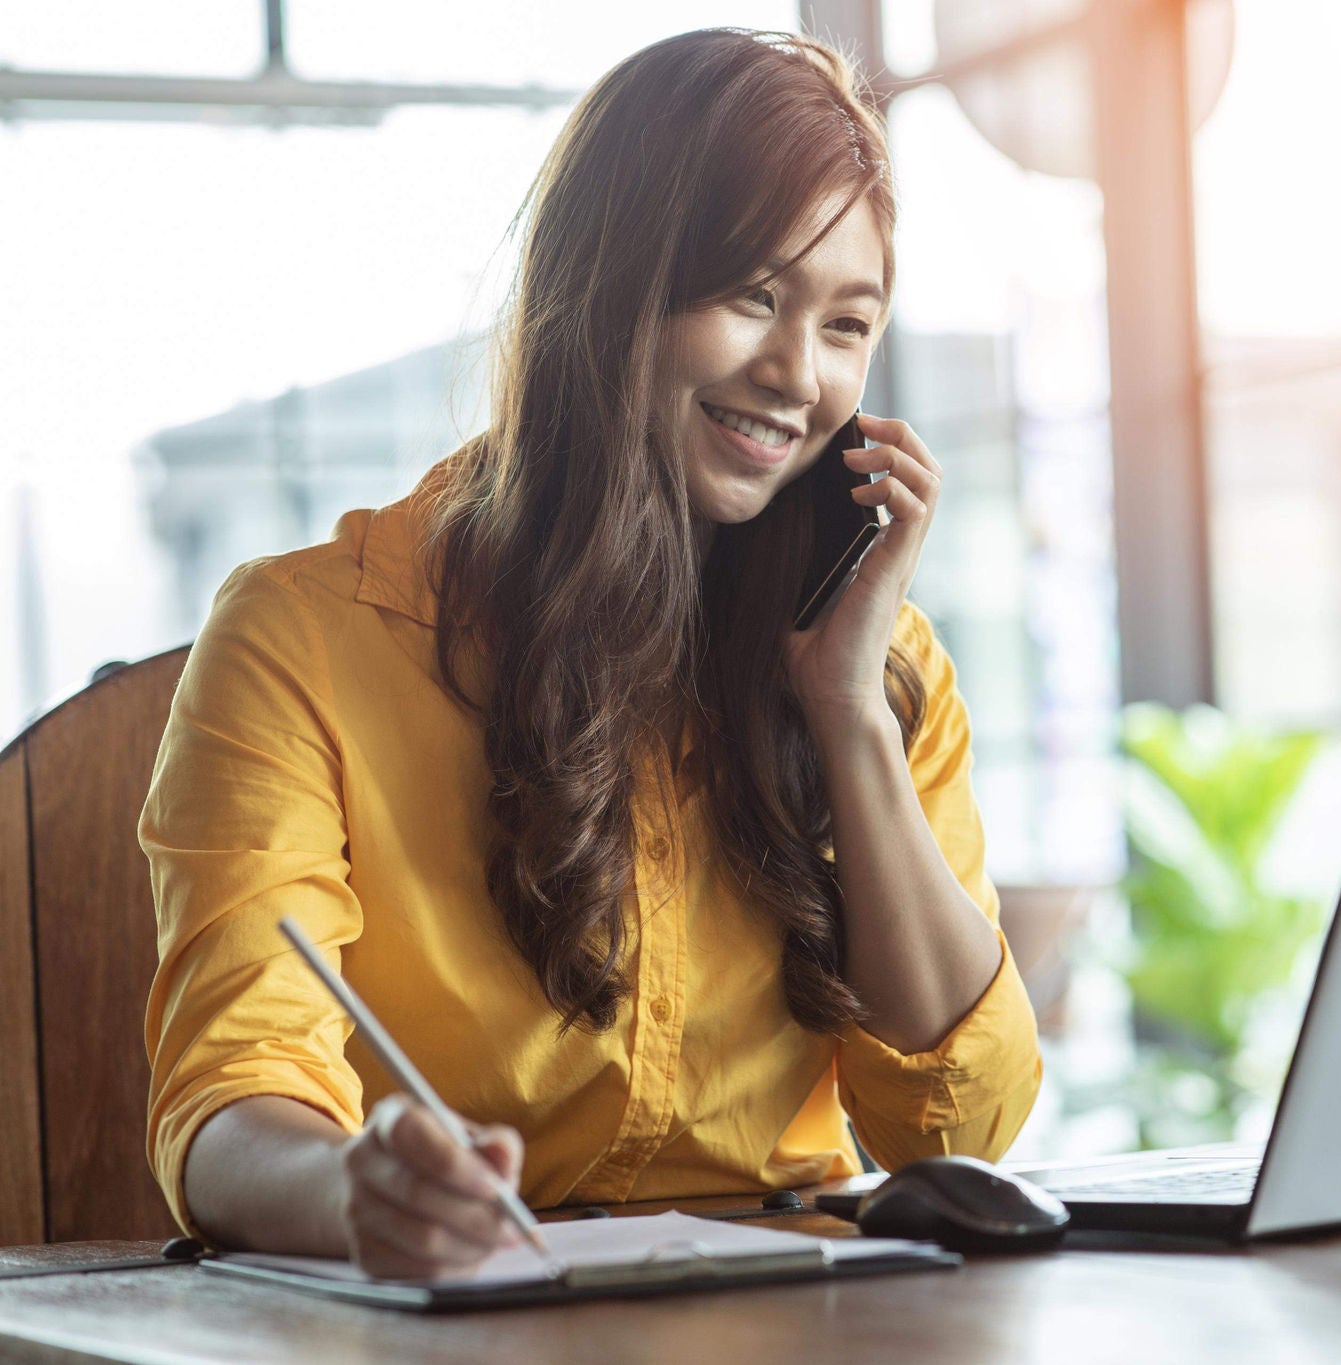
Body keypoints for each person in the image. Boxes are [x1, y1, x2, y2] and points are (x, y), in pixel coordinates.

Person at [141, 28, 1041, 1280]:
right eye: (753, 298)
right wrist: (355, 1191)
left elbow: (960, 1124)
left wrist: (844, 715)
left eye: (847, 324)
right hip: (464, 1316)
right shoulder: (299, 640)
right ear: (614, 284)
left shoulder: (877, 660)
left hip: (811, 1317)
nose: (797, 375)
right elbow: (229, 1102)